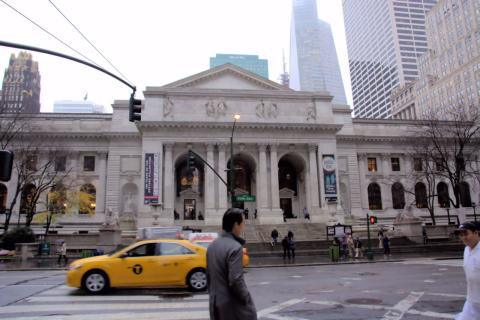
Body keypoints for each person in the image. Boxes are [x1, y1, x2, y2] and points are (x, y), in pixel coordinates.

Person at [206, 208, 257, 320]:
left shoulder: (212, 246)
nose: (244, 226)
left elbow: (208, 277)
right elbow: (235, 280)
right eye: (243, 222)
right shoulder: (235, 247)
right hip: (232, 307)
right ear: (236, 225)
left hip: (215, 304)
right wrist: (246, 298)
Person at [455, 222, 480, 320]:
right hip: (472, 300)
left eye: (466, 234)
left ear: (476, 233)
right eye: (461, 235)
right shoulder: (466, 250)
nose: (464, 237)